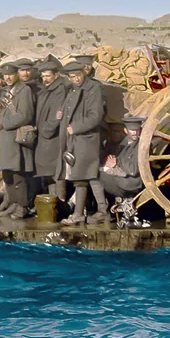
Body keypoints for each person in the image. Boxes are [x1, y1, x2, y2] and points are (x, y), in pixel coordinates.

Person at [57, 61, 108, 225]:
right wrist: (62, 113)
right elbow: (69, 110)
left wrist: (76, 127)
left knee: (85, 175)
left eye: (78, 75)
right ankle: (99, 211)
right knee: (86, 175)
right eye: (72, 77)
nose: (76, 79)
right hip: (75, 139)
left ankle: (83, 214)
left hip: (86, 138)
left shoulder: (93, 89)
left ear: (83, 73)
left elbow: (95, 116)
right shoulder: (72, 90)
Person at [0, 63, 36, 218]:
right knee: (7, 174)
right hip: (3, 138)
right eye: (5, 75)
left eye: (10, 75)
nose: (8, 78)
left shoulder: (24, 91)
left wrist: (6, 123)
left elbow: (25, 115)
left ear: (16, 74)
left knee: (18, 175)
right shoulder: (5, 91)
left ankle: (22, 207)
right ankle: (13, 204)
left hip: (14, 138)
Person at [33, 58, 68, 202]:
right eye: (43, 76)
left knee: (57, 172)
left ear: (56, 75)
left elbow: (57, 114)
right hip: (44, 136)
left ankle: (60, 203)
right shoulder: (47, 89)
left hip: (52, 137)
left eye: (48, 76)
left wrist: (46, 129)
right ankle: (52, 203)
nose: (45, 79)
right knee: (48, 173)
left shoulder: (59, 90)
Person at [99, 115, 146, 200]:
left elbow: (133, 170)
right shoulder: (122, 144)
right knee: (92, 173)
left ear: (141, 131)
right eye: (132, 130)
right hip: (121, 178)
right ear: (125, 131)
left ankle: (102, 208)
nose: (135, 133)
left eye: (137, 130)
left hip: (130, 183)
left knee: (96, 176)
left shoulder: (141, 147)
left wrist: (117, 162)